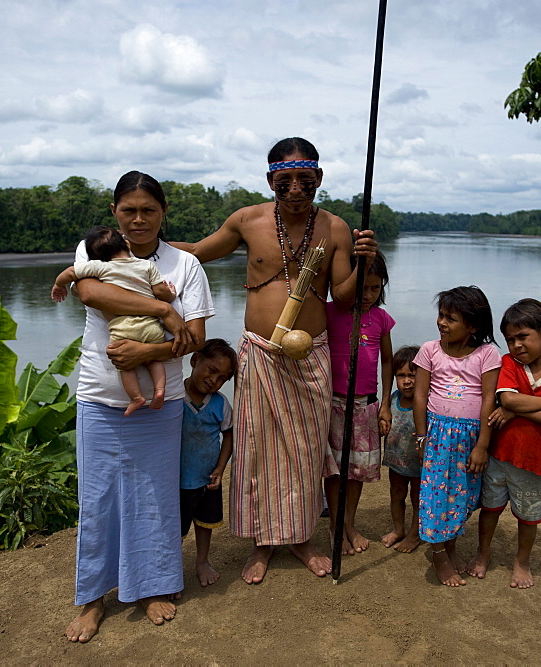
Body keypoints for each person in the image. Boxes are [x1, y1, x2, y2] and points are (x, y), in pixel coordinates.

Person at [171, 137, 376, 584]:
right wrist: (143, 247)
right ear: (270, 181)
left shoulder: (337, 229)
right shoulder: (248, 220)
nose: (296, 190)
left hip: (310, 355)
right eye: (285, 182)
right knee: (257, 450)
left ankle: (301, 537)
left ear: (319, 178)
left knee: (305, 451)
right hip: (259, 355)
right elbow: (198, 252)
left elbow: (342, 294)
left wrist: (364, 261)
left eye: (305, 180)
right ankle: (263, 542)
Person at [64, 171, 215, 643]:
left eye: (148, 210)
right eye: (128, 210)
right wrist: (164, 311)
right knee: (98, 499)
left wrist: (145, 353)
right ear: (114, 212)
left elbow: (196, 340)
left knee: (155, 499)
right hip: (98, 397)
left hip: (161, 401)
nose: (138, 219)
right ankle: (93, 599)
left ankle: (153, 587)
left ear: (164, 213)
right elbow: (90, 292)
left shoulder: (184, 264)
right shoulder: (96, 249)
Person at [466, 298, 541, 588]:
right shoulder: (509, 364)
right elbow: (508, 398)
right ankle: (483, 552)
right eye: (510, 339)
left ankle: (522, 561)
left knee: (529, 516)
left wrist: (516, 410)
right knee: (490, 508)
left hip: (535, 461)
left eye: (523, 337)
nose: (516, 345)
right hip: (500, 455)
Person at [413, 286, 501, 587]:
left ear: (473, 325)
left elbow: (490, 400)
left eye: (451, 318)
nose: (442, 323)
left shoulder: (487, 354)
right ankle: (439, 555)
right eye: (441, 315)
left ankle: (449, 547)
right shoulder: (429, 350)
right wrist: (422, 437)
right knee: (435, 496)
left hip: (470, 439)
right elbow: (420, 396)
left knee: (460, 497)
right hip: (437, 436)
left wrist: (483, 445)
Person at [51, 225, 176, 415]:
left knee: (124, 364)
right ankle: (159, 390)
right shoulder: (147, 265)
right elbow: (161, 292)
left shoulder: (102, 267)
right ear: (126, 243)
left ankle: (136, 397)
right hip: (151, 325)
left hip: (122, 327)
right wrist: (171, 293)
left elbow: (70, 272)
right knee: (153, 359)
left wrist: (59, 284)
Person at [323, 250, 394, 555]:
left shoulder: (381, 318)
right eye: (362, 287)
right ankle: (335, 526)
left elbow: (388, 361)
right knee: (335, 469)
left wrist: (387, 406)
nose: (367, 295)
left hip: (366, 405)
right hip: (333, 403)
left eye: (375, 288)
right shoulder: (327, 312)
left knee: (357, 470)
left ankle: (349, 523)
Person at [180, 338, 238, 587]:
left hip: (207, 477)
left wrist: (220, 468)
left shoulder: (219, 404)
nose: (214, 380)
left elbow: (229, 434)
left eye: (222, 378)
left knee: (205, 523)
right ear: (194, 360)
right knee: (175, 528)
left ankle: (202, 561)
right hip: (176, 479)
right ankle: (171, 566)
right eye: (211, 370)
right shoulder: (173, 397)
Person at [379, 344, 423, 553]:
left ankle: (414, 534)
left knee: (417, 499)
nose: (407, 381)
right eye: (401, 375)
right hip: (396, 464)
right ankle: (399, 529)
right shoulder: (393, 400)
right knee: (396, 495)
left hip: (419, 466)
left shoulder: (427, 404)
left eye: (413, 375)